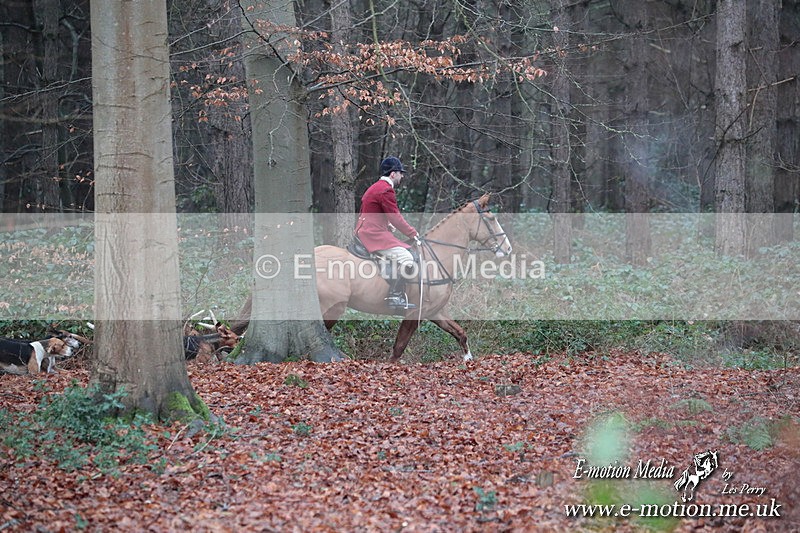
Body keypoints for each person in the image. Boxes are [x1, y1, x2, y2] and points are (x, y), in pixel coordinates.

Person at [355, 156, 420, 310]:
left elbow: (370, 212)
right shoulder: (386, 190)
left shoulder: (374, 187)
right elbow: (395, 217)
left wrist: (386, 224)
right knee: (408, 258)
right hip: (373, 235)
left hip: (366, 230)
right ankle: (395, 296)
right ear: (393, 174)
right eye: (400, 173)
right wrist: (412, 233)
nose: (401, 176)